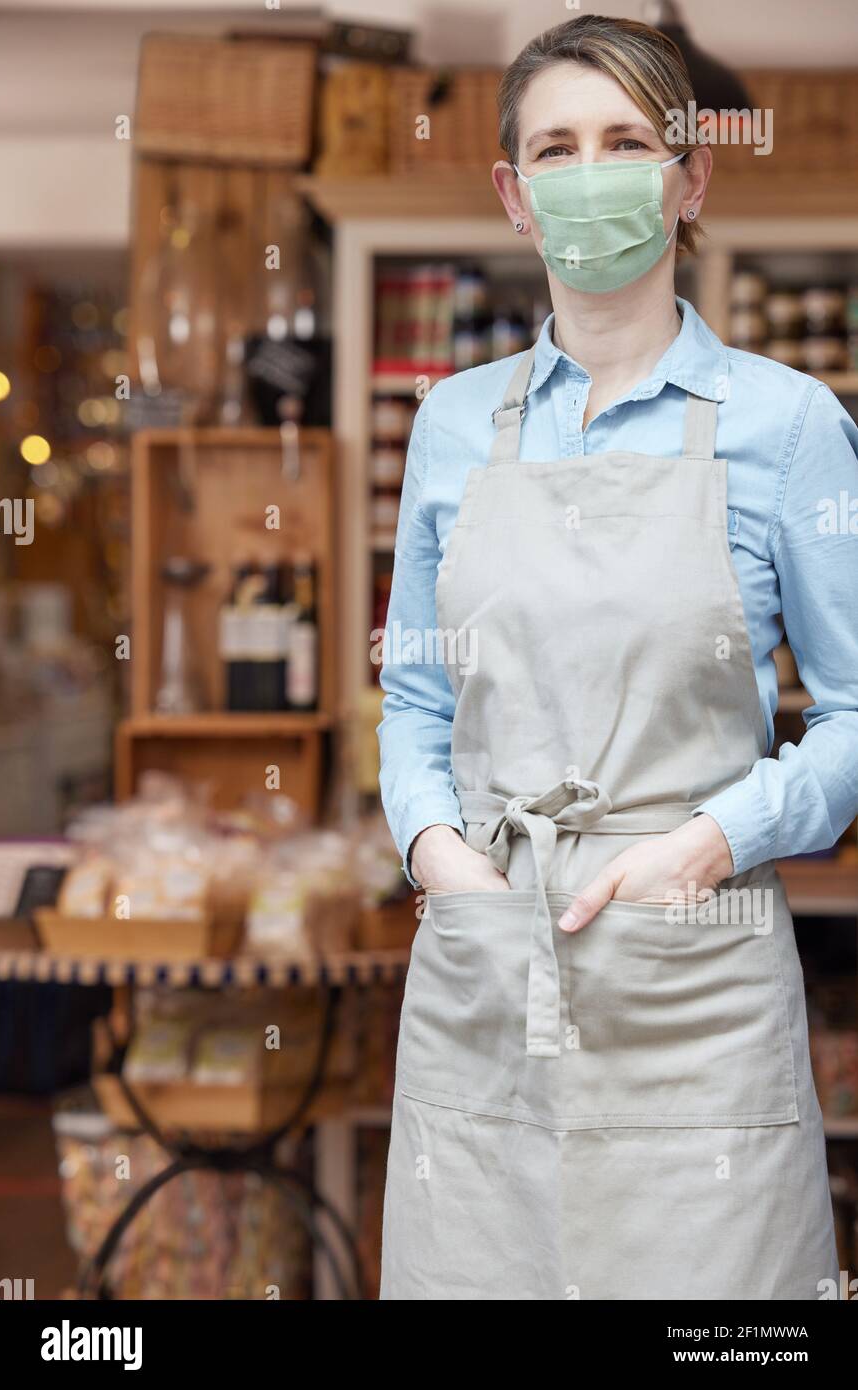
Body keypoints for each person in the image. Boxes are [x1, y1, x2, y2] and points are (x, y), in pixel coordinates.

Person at [377, 14, 858, 1300]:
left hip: (695, 966)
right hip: (490, 957)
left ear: (689, 178)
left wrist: (712, 841)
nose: (589, 170)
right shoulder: (452, 423)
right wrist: (439, 856)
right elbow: (416, 693)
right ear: (515, 194)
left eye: (626, 141)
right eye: (556, 147)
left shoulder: (790, 426)